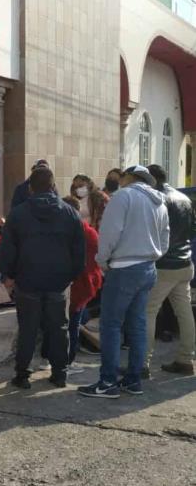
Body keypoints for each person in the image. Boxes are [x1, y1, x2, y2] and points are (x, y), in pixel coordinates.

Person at [78, 166, 169, 399]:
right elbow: (165, 238)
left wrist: (102, 260)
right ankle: (133, 380)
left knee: (111, 325)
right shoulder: (158, 201)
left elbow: (109, 233)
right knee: (137, 326)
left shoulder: (123, 197)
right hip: (148, 267)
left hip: (123, 268)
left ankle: (107, 382)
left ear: (128, 177)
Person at [0, 166, 85, 389]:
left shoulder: (18, 214)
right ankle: (59, 373)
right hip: (58, 282)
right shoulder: (70, 213)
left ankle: (23, 374)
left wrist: (9, 275)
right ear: (53, 186)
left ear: (30, 188)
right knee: (58, 328)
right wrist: (70, 276)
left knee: (28, 328)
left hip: (28, 281)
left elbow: (7, 251)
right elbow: (79, 252)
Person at [143, 164, 195, 376]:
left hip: (164, 265)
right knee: (184, 313)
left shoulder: (158, 198)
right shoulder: (183, 198)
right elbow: (193, 229)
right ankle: (186, 359)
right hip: (184, 263)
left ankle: (141, 364)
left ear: (152, 179)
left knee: (147, 312)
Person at [61, 195, 102, 373]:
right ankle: (67, 361)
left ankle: (61, 360)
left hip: (68, 284)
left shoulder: (63, 230)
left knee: (65, 324)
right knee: (72, 324)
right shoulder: (87, 231)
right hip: (83, 284)